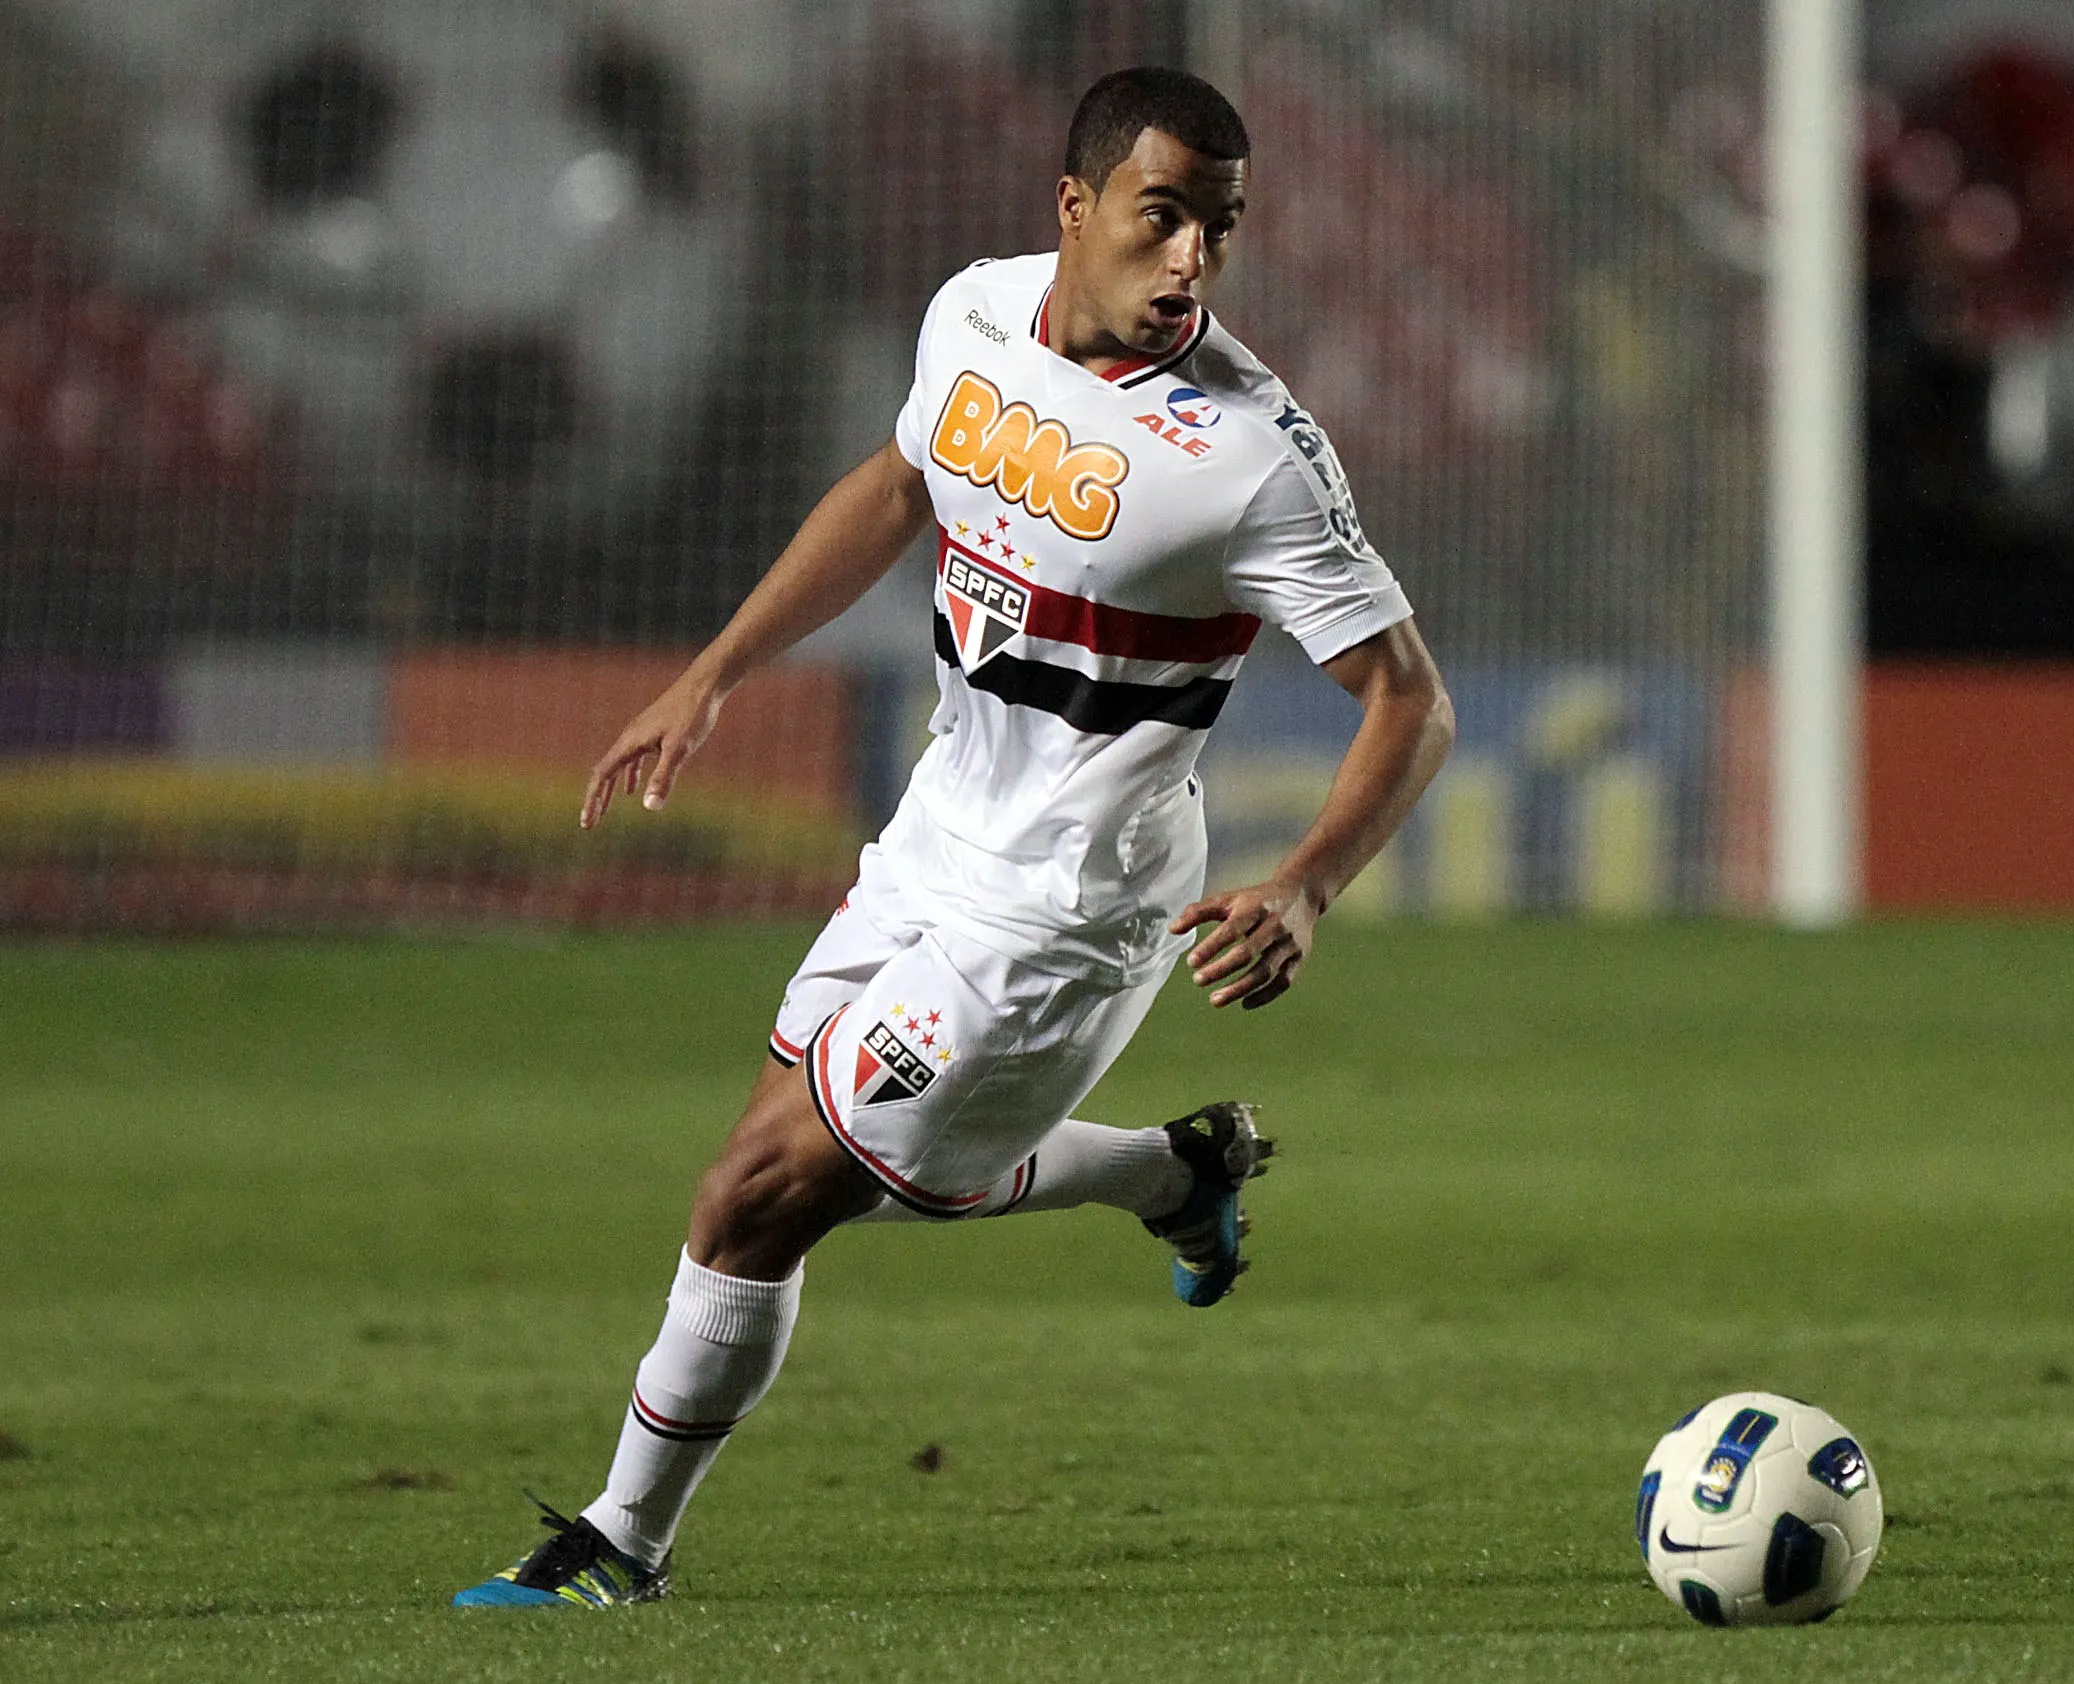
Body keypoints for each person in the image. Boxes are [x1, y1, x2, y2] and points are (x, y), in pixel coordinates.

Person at [452, 65, 1454, 1609]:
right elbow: (900, 483)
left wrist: (1310, 886)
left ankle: (619, 1545)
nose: (1191, 258)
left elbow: (1409, 700)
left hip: (1072, 904)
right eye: (1163, 216)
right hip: (933, 836)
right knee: (810, 1176)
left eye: (1222, 229)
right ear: (1076, 209)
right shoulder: (976, 314)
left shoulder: (1250, 453)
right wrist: (712, 675)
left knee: (758, 1190)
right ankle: (1168, 1178)